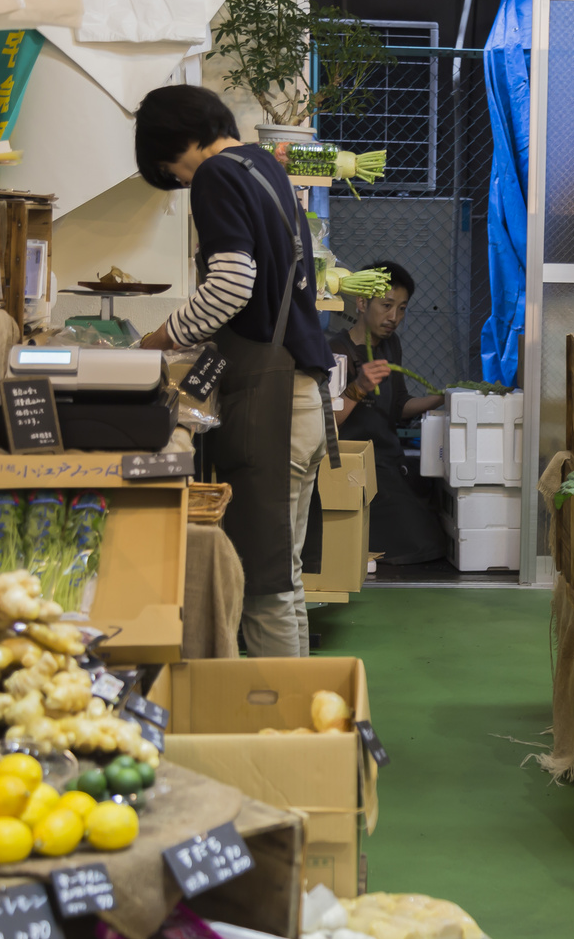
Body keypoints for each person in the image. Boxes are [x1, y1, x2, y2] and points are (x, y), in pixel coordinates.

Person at [134, 85, 335, 657]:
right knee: (283, 576)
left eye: (169, 170)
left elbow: (230, 285)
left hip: (270, 406)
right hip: (302, 395)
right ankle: (298, 714)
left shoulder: (218, 175)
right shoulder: (263, 167)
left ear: (177, 145)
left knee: (261, 583)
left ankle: (276, 723)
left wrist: (162, 338)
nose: (178, 181)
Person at [329, 262, 448, 565]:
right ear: (362, 302)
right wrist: (358, 387)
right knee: (423, 545)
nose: (394, 317)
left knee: (436, 532)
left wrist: (439, 399)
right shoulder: (337, 351)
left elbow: (399, 405)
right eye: (386, 306)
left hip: (387, 463)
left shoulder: (390, 345)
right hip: (354, 468)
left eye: (402, 308)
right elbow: (328, 422)